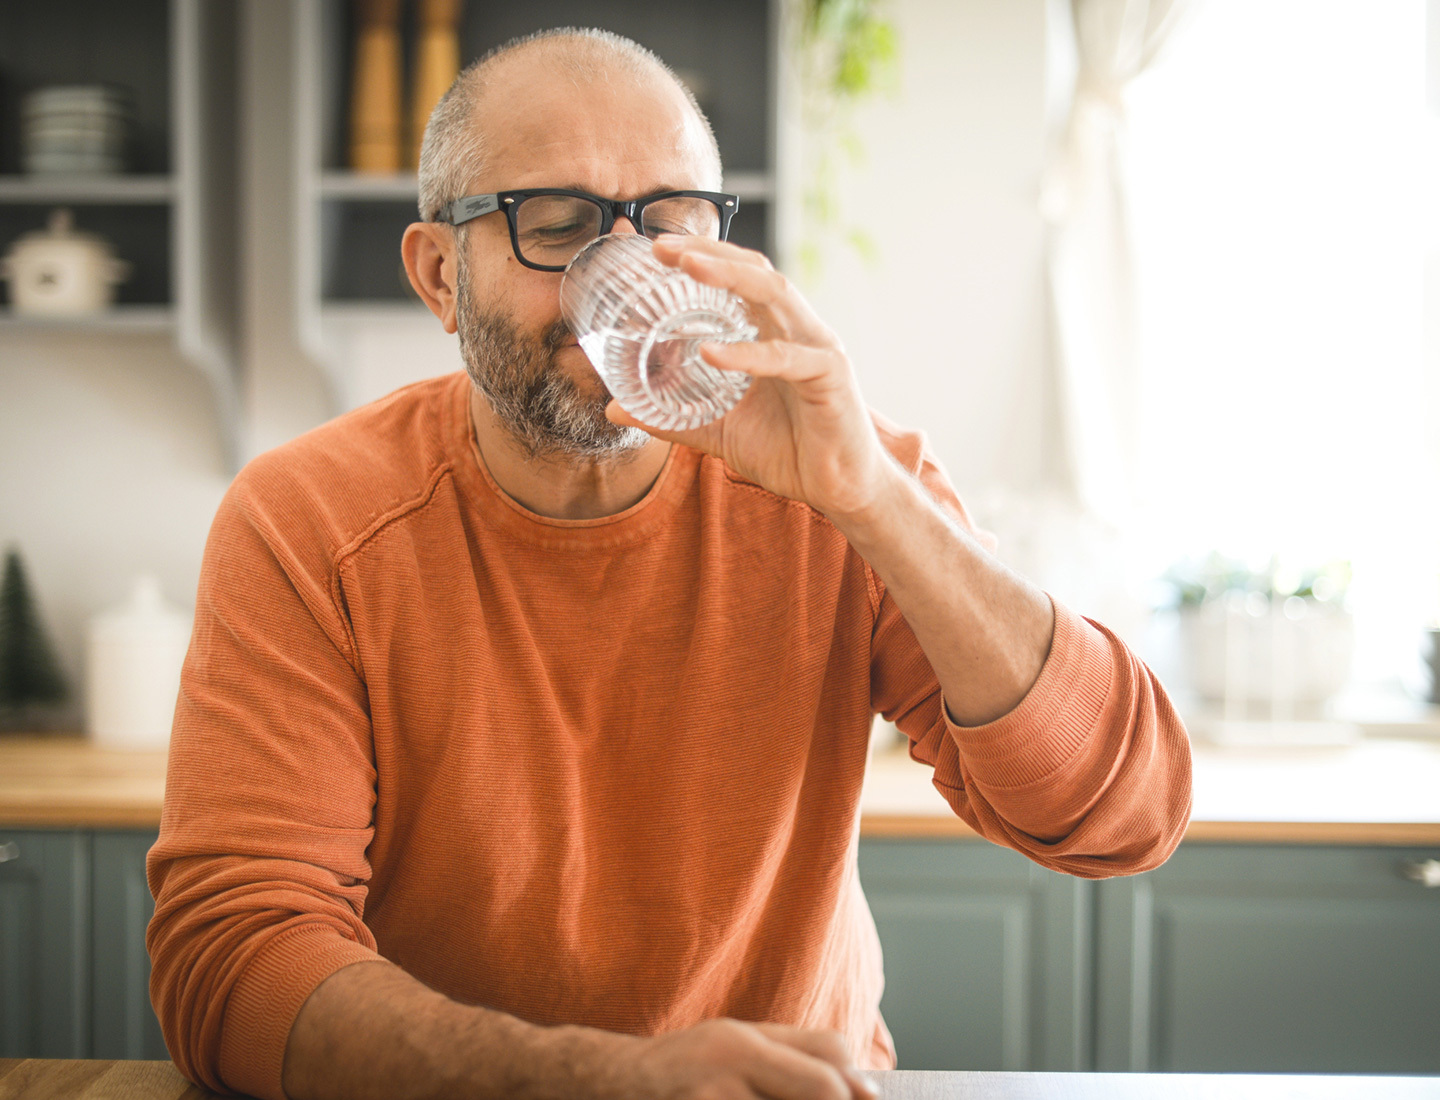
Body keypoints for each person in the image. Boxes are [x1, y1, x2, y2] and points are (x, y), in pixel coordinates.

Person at [146, 26, 1192, 1100]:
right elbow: (234, 960)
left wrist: (874, 501)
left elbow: (1126, 816)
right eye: (556, 227)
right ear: (438, 276)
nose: (626, 272)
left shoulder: (841, 481)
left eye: (672, 225)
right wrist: (597, 1079)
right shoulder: (311, 520)